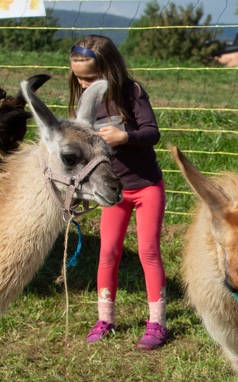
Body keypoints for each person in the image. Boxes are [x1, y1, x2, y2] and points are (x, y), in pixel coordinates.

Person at [69, 35, 169, 350]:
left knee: (148, 252)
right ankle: (105, 319)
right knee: (108, 253)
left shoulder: (131, 93)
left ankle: (157, 323)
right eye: (78, 77)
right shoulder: (86, 101)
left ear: (109, 71)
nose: (83, 83)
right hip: (113, 192)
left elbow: (152, 132)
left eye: (90, 78)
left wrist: (124, 137)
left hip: (146, 187)